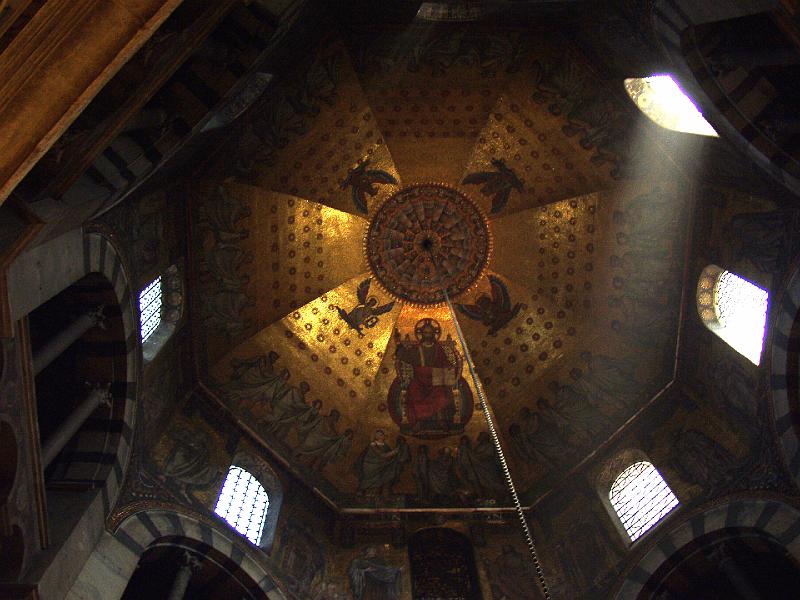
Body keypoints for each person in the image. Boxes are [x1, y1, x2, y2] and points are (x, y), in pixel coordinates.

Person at [394, 319, 460, 429]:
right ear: (422, 334)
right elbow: (405, 355)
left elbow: (445, 363)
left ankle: (441, 421)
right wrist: (398, 344)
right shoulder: (416, 349)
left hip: (435, 381)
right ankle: (418, 422)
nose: (428, 335)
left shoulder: (438, 349)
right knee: (415, 394)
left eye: (430, 332)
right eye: (425, 332)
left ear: (434, 334)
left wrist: (451, 371)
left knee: (442, 396)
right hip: (419, 381)